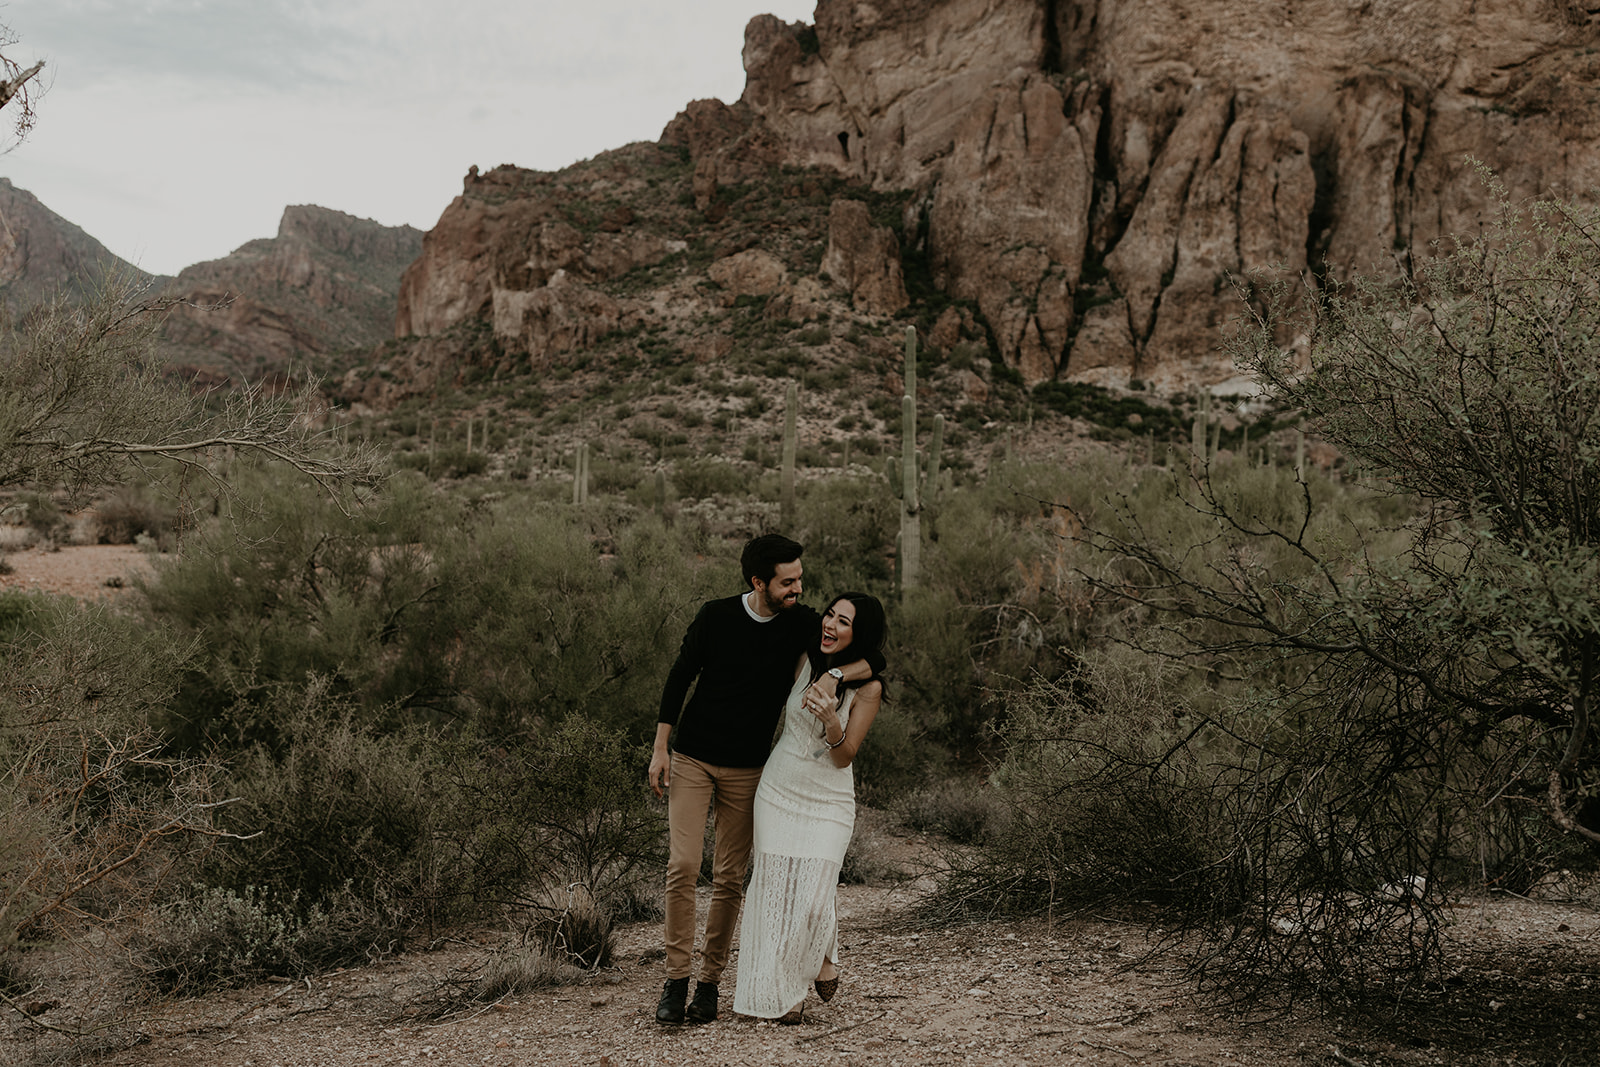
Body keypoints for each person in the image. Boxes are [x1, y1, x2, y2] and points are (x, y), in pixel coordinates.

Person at [649, 535, 884, 1026]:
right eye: (789, 581)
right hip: (693, 756)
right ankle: (675, 981)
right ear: (760, 582)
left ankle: (709, 984)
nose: (800, 588)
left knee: (731, 877)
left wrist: (836, 675)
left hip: (750, 769)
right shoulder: (716, 616)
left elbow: (872, 659)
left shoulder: (802, 622)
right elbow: (679, 677)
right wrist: (660, 748)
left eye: (800, 578)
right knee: (683, 866)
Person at [732, 592, 885, 1024]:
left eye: (844, 622)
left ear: (860, 634)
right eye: (830, 615)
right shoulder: (804, 657)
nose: (830, 626)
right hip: (779, 789)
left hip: (830, 799)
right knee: (776, 892)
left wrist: (834, 720)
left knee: (816, 899)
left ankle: (822, 958)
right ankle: (789, 994)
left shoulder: (868, 688)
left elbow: (844, 755)